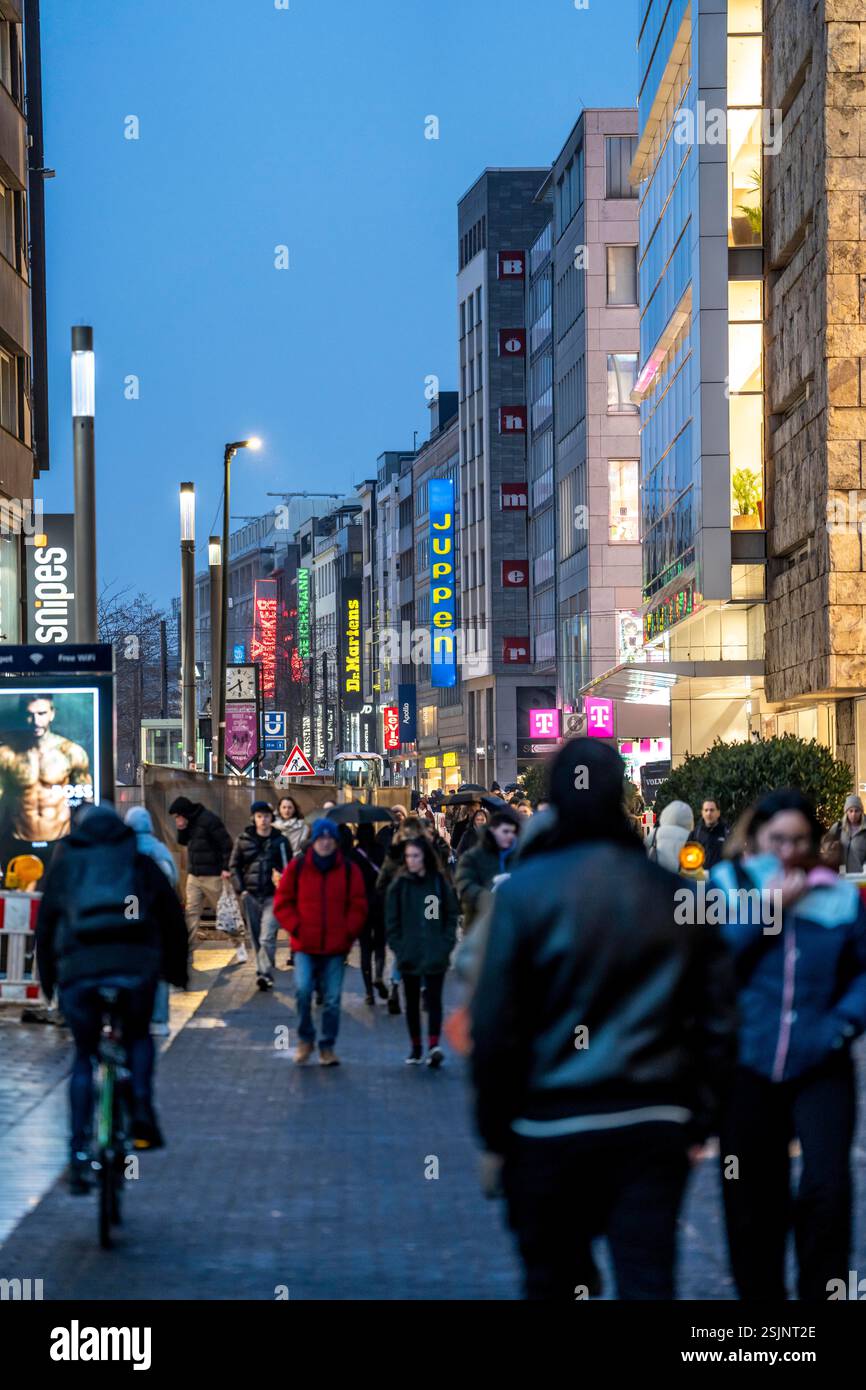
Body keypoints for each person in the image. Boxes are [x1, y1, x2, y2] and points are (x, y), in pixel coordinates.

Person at [470, 739, 737, 1301]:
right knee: (647, 1278)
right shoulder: (670, 895)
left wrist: (496, 1134)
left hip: (548, 1122)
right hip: (651, 1120)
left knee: (554, 1281)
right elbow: (716, 1013)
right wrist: (699, 1114)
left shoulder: (524, 895)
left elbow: (495, 1025)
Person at [711, 789, 866, 1301]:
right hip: (748, 1064)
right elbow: (713, 969)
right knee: (754, 1195)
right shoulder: (727, 885)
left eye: (799, 841)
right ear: (755, 837)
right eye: (777, 839)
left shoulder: (840, 895)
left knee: (827, 1187)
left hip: (821, 1062)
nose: (788, 851)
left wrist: (841, 1026)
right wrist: (767, 911)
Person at [35, 804, 188, 1191]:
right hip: (133, 970)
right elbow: (171, 918)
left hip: (80, 973)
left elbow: (47, 924)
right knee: (138, 1036)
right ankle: (139, 1108)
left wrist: (51, 982)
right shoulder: (139, 863)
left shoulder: (67, 868)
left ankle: (77, 1155)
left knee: (84, 1057)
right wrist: (174, 972)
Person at [273, 818, 367, 1065]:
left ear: (336, 842)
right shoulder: (298, 867)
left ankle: (327, 1045)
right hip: (305, 945)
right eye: (321, 838)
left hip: (336, 947)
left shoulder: (348, 870)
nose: (325, 842)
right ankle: (306, 1039)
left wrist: (347, 932)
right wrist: (296, 928)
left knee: (333, 999)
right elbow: (282, 903)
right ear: (314, 840)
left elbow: (358, 905)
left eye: (329, 838)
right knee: (303, 991)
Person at [386, 837, 458, 1066]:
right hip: (410, 952)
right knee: (412, 1001)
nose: (411, 861)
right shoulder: (400, 885)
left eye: (415, 856)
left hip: (435, 951)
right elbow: (392, 920)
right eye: (408, 856)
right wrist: (400, 947)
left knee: (434, 1000)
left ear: (425, 857)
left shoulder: (438, 882)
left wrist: (445, 944)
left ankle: (434, 1044)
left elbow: (449, 915)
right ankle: (416, 1047)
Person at [0, 692, 92, 844]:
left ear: (52, 714)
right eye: (30, 714)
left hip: (61, 839)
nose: (36, 721)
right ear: (23, 716)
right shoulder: (7, 755)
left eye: (42, 713)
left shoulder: (71, 752)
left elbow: (87, 800)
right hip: (18, 839)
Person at [125, 805, 179, 1037]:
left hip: (130, 915)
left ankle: (132, 1016)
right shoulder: (159, 849)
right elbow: (172, 878)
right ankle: (159, 1020)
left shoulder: (123, 849)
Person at [229, 801, 291, 990]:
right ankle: (265, 965)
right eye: (259, 816)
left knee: (267, 936)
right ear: (253, 818)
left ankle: (264, 972)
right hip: (251, 895)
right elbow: (234, 866)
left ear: (272, 818)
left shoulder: (280, 841)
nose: (263, 820)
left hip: (273, 896)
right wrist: (242, 890)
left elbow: (288, 867)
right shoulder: (243, 840)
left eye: (266, 816)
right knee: (256, 937)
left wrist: (282, 881)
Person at [168, 796, 233, 950]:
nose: (177, 820)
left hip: (213, 875)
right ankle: (187, 949)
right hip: (194, 876)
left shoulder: (209, 820)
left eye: (178, 816)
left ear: (184, 813)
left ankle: (238, 945)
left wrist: (225, 868)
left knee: (224, 911)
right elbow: (183, 842)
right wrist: (181, 829)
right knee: (191, 912)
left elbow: (226, 844)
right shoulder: (188, 824)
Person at [455, 808, 520, 932]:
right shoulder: (474, 856)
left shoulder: (520, 855)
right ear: (493, 831)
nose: (510, 835)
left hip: (512, 925)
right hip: (480, 925)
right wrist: (487, 897)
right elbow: (464, 884)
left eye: (513, 832)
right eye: (505, 831)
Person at [351, 823, 388, 1005]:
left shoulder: (354, 854)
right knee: (380, 945)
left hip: (361, 906)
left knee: (365, 949)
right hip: (380, 904)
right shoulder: (380, 850)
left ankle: (368, 992)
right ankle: (379, 974)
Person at [647, 799, 694, 873]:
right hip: (680, 880)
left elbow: (642, 854)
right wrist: (701, 885)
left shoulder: (656, 832)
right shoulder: (691, 837)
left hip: (657, 878)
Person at [686, 797, 729, 870]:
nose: (709, 813)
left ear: (718, 813)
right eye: (706, 810)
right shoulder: (695, 834)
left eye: (712, 810)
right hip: (700, 878)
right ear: (702, 813)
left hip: (719, 878)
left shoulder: (727, 833)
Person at [829, 794, 866, 875]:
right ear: (846, 812)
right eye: (851, 811)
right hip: (840, 876)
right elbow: (826, 846)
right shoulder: (837, 827)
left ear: (861, 812)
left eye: (857, 811)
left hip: (861, 878)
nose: (853, 814)